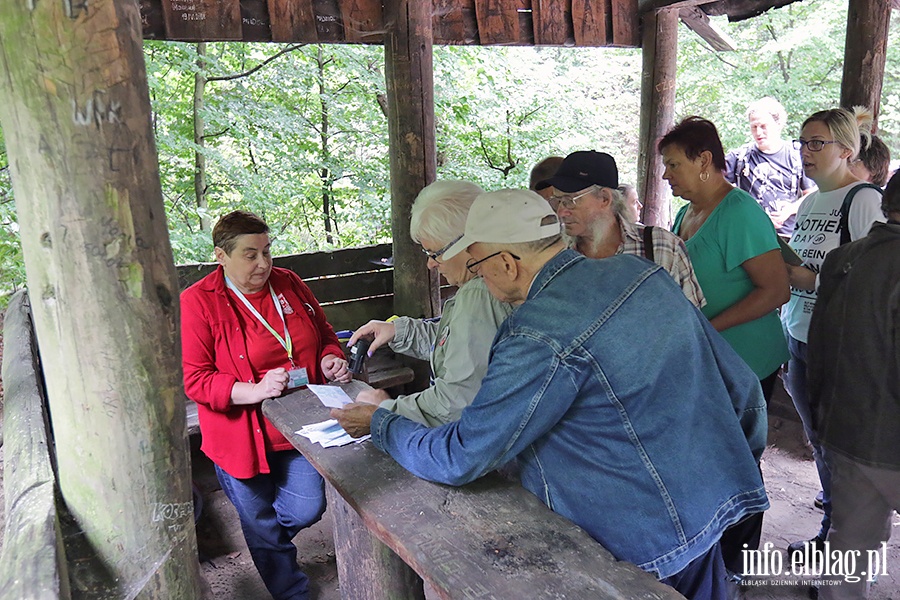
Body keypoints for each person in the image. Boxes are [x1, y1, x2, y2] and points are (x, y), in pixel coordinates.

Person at [333, 189, 769, 600]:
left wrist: (382, 423)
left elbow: (461, 456)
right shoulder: (639, 273)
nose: (478, 276)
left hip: (639, 543)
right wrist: (730, 476)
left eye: (478, 265)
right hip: (711, 509)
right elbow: (744, 391)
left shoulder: (536, 334)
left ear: (506, 262)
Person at [181, 210, 351, 600]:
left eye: (267, 251)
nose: (264, 263)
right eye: (250, 254)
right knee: (258, 519)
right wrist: (253, 389)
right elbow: (196, 380)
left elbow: (324, 333)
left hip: (301, 426)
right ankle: (292, 591)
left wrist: (328, 357)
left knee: (307, 508)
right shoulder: (199, 302)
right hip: (239, 435)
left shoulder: (288, 282)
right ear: (221, 257)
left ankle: (267, 542)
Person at [781, 107, 886, 562]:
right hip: (799, 334)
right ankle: (832, 532)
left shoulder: (862, 200)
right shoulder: (809, 203)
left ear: (846, 150)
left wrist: (813, 281)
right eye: (802, 142)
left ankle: (839, 540)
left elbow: (876, 274)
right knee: (818, 439)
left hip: (838, 344)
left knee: (838, 446)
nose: (806, 152)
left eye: (817, 143)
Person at [347, 181, 514, 426]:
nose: (431, 264)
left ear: (467, 245)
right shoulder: (490, 285)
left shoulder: (480, 294)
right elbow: (460, 343)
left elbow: (455, 403)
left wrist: (384, 410)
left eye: (434, 253)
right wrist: (397, 331)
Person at [806, 171, 900, 599]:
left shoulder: (844, 259)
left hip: (846, 430)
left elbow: (817, 345)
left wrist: (824, 416)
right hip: (891, 442)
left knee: (848, 550)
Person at [660, 116, 790, 400]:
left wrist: (708, 328)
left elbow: (777, 291)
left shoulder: (738, 212)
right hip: (707, 358)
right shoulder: (685, 213)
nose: (665, 175)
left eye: (673, 165)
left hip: (744, 360)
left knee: (734, 444)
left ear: (704, 161)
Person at [535, 150, 705, 308]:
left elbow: (691, 324)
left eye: (570, 201)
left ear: (604, 199)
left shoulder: (661, 247)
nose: (561, 211)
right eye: (557, 201)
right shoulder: (554, 255)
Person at [725, 97, 815, 238]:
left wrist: (789, 210)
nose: (758, 132)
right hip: (749, 236)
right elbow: (714, 184)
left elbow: (812, 194)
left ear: (778, 124)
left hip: (789, 236)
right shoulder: (739, 157)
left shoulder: (797, 155)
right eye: (754, 127)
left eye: (763, 126)